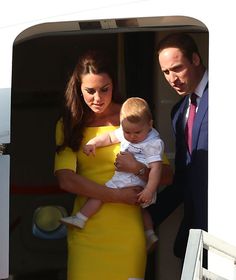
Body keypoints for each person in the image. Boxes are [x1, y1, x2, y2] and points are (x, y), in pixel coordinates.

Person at [54, 50, 173, 280]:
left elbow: (166, 175)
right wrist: (116, 195)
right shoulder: (69, 124)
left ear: (113, 85)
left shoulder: (132, 117)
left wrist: (137, 168)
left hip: (128, 231)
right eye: (90, 91)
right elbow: (65, 179)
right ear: (78, 88)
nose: (98, 98)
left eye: (104, 89)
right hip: (86, 229)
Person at [60, 97, 163, 251]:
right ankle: (149, 233)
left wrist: (149, 189)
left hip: (132, 180)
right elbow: (109, 137)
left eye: (137, 132)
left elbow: (157, 169)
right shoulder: (129, 131)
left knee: (100, 194)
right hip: (138, 183)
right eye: (127, 131)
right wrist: (93, 143)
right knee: (142, 209)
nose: (132, 136)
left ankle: (80, 218)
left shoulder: (153, 143)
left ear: (150, 125)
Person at [141, 32, 209, 261]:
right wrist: (145, 216)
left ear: (196, 59)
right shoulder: (179, 111)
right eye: (166, 72)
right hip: (196, 237)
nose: (172, 79)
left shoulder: (229, 96)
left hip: (228, 231)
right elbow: (184, 179)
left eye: (177, 68)